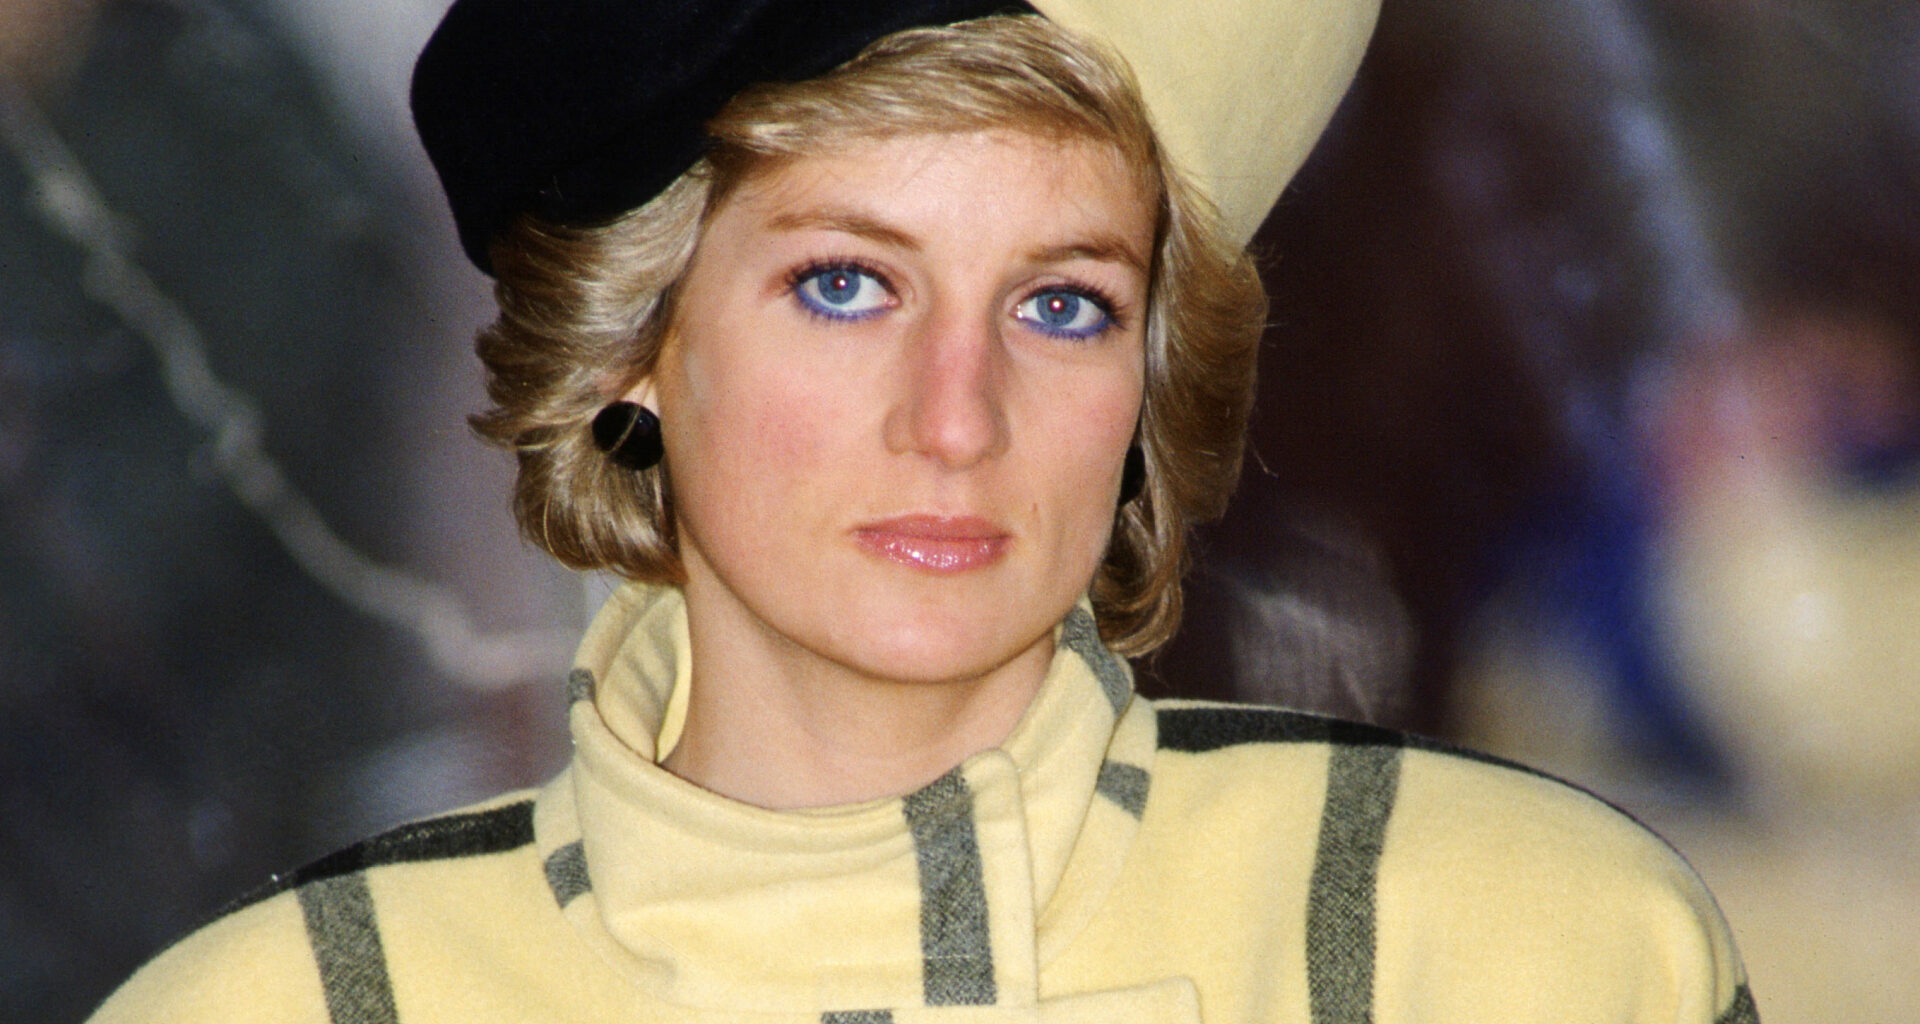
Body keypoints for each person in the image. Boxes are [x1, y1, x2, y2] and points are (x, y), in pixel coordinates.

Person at [87, 2, 1758, 1022]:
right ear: (643, 340)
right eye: (842, 284)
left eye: (1062, 305)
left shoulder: (1529, 957)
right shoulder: (284, 1009)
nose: (955, 420)